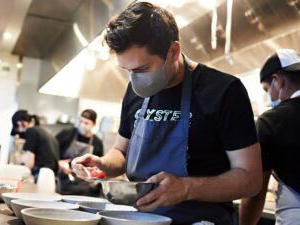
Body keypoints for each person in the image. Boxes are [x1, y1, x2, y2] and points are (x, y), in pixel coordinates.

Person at [71, 2, 262, 224]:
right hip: (138, 218)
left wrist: (186, 188)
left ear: (173, 51)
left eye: (142, 70)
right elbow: (121, 152)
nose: (135, 80)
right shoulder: (134, 93)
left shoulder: (224, 91)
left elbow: (251, 179)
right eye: (128, 71)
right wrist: (103, 164)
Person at [240, 49, 300, 225]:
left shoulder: (271, 121)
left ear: (278, 81)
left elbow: (255, 193)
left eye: (267, 89)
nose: (269, 97)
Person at [56, 109, 104, 196]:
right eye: (81, 121)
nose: (82, 125)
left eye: (86, 123)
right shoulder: (67, 134)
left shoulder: (97, 143)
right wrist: (58, 163)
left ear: (94, 124)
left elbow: (99, 166)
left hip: (84, 185)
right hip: (64, 181)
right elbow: (51, 153)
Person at [11, 110, 59, 181]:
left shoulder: (31, 131)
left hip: (40, 175)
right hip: (51, 177)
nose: (19, 132)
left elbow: (29, 164)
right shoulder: (45, 132)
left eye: (17, 128)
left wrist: (19, 158)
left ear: (20, 123)